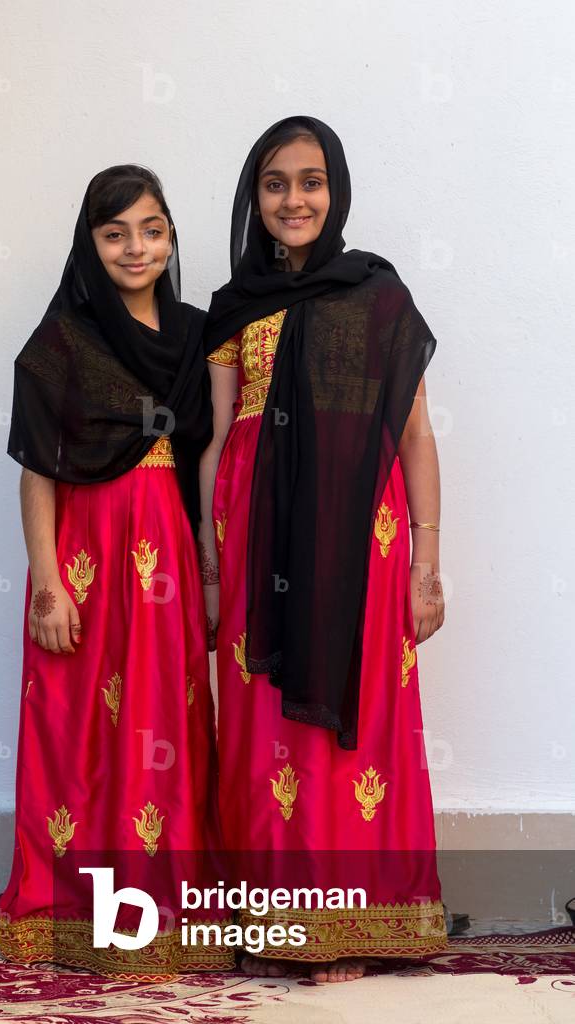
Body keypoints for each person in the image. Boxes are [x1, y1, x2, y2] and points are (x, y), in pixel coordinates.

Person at [199, 116, 448, 983]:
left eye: (311, 181)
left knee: (358, 716)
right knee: (263, 723)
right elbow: (220, 433)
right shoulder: (237, 307)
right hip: (254, 529)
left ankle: (355, 923)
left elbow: (413, 434)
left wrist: (426, 562)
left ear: (334, 190)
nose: (294, 199)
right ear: (254, 196)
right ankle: (274, 919)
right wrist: (208, 555)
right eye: (275, 183)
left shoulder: (377, 296)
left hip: (357, 543)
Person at [0, 165, 233, 981]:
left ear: (171, 236)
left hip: (164, 548)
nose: (137, 248)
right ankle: (71, 913)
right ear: (90, 243)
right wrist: (48, 582)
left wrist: (208, 568)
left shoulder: (198, 333)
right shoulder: (64, 337)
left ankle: (163, 911)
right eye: (115, 232)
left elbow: (206, 454)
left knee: (164, 724)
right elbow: (37, 470)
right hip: (83, 558)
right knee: (77, 728)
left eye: (152, 229)